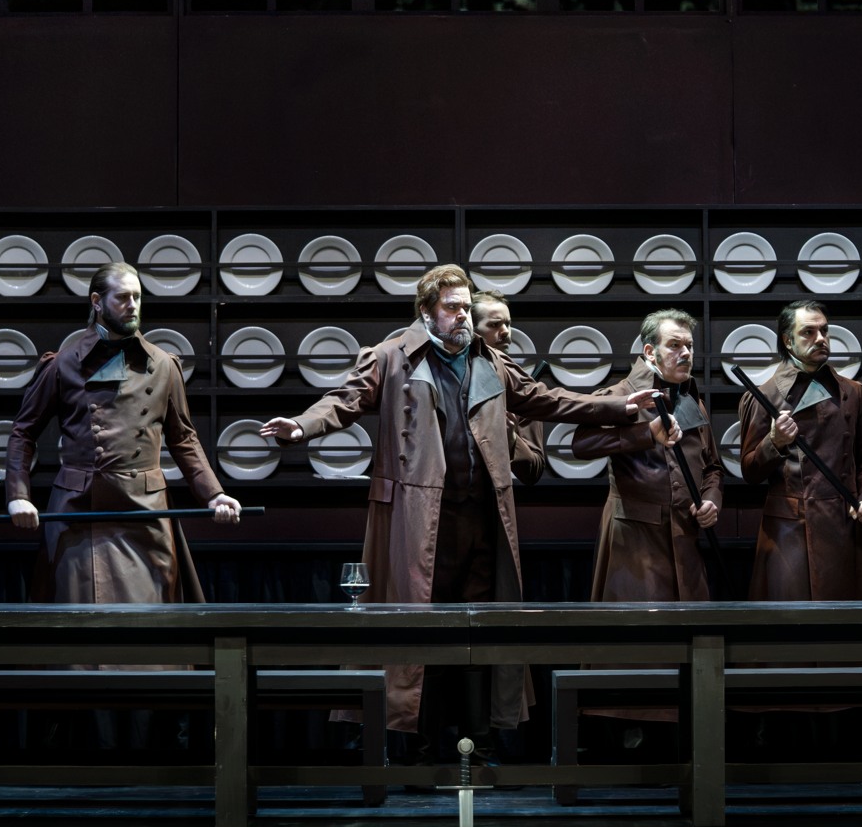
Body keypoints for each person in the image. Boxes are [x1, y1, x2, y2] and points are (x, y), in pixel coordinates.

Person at [259, 264, 659, 757]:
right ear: (427, 311)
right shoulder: (392, 356)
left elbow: (546, 400)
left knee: (481, 624)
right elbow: (344, 401)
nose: (463, 316)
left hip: (481, 518)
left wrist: (619, 408)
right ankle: (427, 743)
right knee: (424, 628)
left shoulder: (489, 360)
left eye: (467, 307)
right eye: (453, 307)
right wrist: (300, 427)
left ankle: (481, 739)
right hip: (419, 518)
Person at [5, 262, 241, 605]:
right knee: (79, 620)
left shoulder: (163, 365)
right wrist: (18, 496)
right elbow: (22, 433)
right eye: (123, 298)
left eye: (138, 297)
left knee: (150, 625)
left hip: (144, 511)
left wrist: (213, 494)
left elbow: (184, 439)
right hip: (80, 511)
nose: (133, 305)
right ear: (97, 302)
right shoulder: (62, 364)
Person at [737, 300, 862, 601]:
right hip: (790, 532)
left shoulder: (853, 392)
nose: (820, 338)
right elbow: (750, 471)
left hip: (846, 524)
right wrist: (774, 442)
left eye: (824, 331)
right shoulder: (764, 395)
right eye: (808, 332)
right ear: (787, 340)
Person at [574, 308, 722, 604]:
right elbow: (582, 445)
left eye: (689, 346)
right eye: (675, 345)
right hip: (634, 543)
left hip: (685, 540)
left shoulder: (691, 400)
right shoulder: (621, 395)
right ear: (649, 351)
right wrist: (644, 434)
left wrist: (711, 500)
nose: (685, 353)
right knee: (637, 638)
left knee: (690, 637)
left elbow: (713, 467)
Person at [471, 290, 547, 486]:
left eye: (508, 324)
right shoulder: (449, 380)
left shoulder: (525, 389)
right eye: (495, 325)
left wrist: (510, 437)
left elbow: (534, 471)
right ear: (471, 330)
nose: (505, 331)